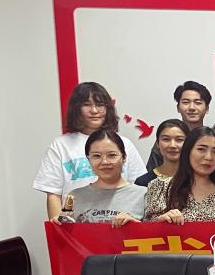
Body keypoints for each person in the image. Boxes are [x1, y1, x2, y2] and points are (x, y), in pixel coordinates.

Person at [34, 82, 146, 220]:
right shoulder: (61, 145)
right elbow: (53, 193)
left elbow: (138, 184)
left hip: (123, 223)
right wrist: (59, 229)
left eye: (100, 105)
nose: (94, 110)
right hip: (78, 223)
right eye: (87, 105)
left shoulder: (124, 143)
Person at [144, 126, 215, 223]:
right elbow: (146, 230)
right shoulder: (160, 187)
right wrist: (161, 221)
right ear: (188, 151)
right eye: (201, 149)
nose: (209, 157)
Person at [61, 129, 146, 227]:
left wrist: (137, 226)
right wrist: (57, 224)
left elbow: (155, 233)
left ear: (124, 157)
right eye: (96, 156)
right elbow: (64, 233)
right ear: (88, 159)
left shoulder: (144, 195)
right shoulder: (73, 196)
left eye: (112, 155)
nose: (104, 162)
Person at [146, 80, 212, 171]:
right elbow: (152, 173)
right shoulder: (167, 140)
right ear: (178, 108)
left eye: (198, 102)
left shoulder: (213, 139)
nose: (191, 108)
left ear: (207, 108)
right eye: (186, 102)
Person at [135, 120, 189, 187]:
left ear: (188, 143)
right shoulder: (144, 182)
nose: (172, 145)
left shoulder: (196, 179)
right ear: (157, 143)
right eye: (166, 139)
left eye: (179, 140)